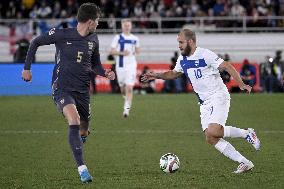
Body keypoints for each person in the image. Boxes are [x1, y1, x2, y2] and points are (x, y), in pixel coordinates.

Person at [141, 28, 261, 173]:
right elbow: (173, 73)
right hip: (204, 103)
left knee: (214, 130)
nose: (179, 45)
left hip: (218, 95)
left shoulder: (205, 54)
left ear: (190, 41)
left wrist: (241, 84)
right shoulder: (182, 59)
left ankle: (247, 133)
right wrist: (156, 75)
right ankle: (244, 162)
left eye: (181, 42)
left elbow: (227, 66)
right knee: (211, 137)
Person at [21, 3, 115, 183]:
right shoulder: (61, 34)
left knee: (84, 129)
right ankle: (82, 169)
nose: (98, 23)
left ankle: (80, 138)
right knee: (74, 120)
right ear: (89, 21)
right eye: (97, 20)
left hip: (83, 91)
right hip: (62, 88)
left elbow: (95, 64)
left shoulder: (93, 39)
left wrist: (106, 73)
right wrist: (27, 69)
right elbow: (35, 42)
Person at [110, 19, 141, 117]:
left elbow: (138, 50)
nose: (127, 27)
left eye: (128, 25)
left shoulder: (135, 38)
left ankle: (126, 110)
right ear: (122, 26)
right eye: (125, 25)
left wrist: (136, 50)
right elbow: (112, 51)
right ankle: (126, 98)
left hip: (131, 65)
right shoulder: (117, 37)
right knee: (123, 88)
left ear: (131, 26)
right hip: (120, 66)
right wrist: (122, 53)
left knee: (129, 87)